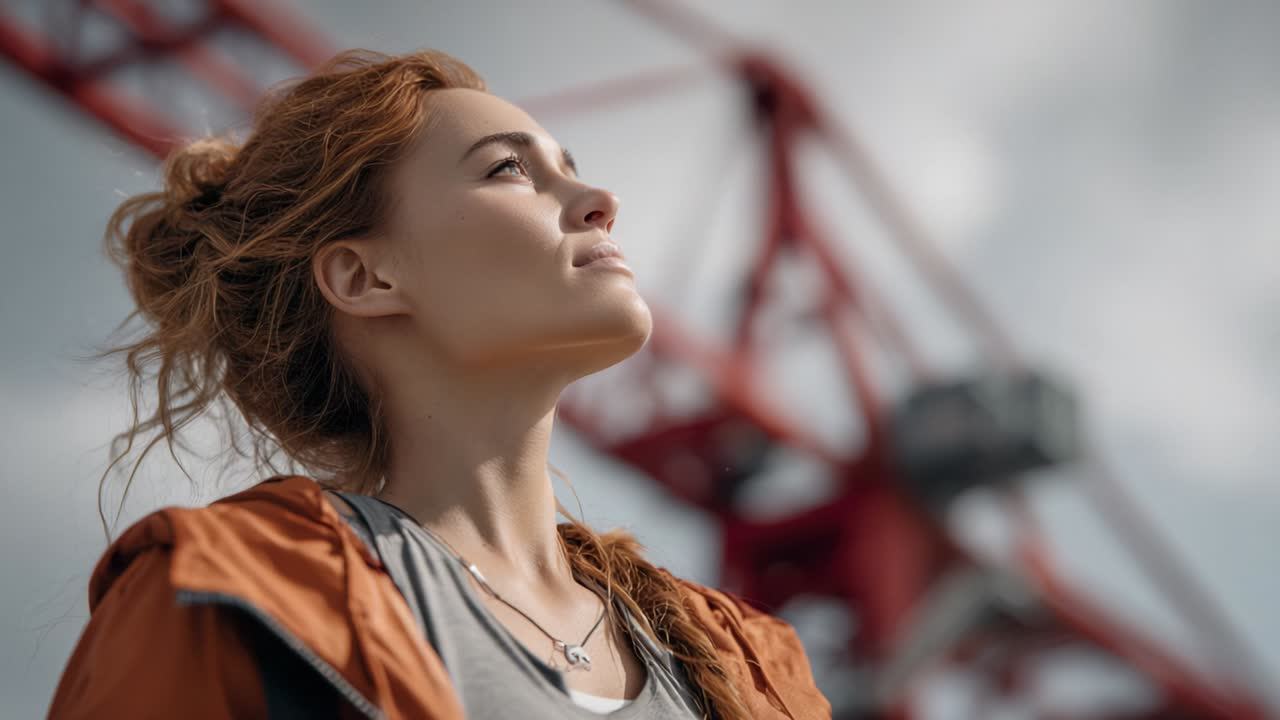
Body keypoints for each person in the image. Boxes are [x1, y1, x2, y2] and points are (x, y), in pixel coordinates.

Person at [47, 48, 831, 720]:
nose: (602, 202)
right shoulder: (223, 595)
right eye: (510, 169)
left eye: (570, 169)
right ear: (365, 277)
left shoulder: (753, 667)